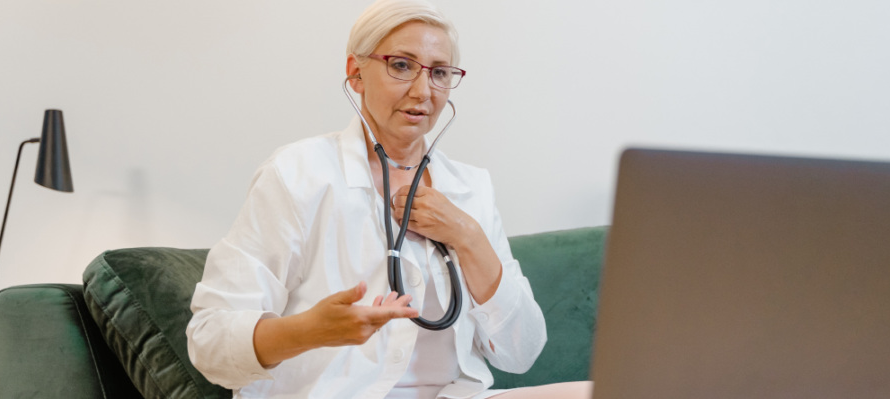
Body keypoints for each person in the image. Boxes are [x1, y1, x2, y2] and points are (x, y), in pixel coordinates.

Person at [186, 1, 592, 398]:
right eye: (401, 65)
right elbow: (210, 341)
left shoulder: (471, 187)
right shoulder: (297, 174)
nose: (423, 90)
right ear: (356, 72)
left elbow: (521, 354)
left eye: (439, 73)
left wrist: (467, 235)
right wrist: (310, 330)